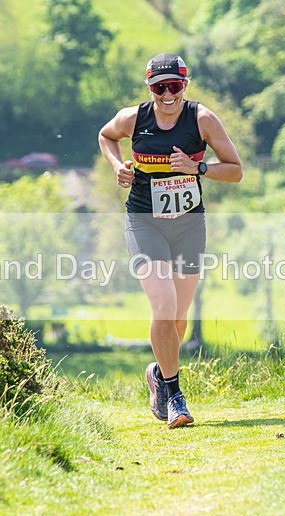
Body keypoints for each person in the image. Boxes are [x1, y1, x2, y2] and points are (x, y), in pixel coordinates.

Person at [98, 53, 243, 429]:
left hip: (189, 225)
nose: (167, 95)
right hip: (145, 221)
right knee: (163, 305)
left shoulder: (203, 120)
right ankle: (175, 396)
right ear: (149, 89)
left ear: (185, 85)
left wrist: (198, 167)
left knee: (177, 315)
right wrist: (118, 167)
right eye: (159, 88)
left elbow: (235, 170)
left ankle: (158, 377)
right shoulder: (134, 118)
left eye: (173, 87)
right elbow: (106, 136)